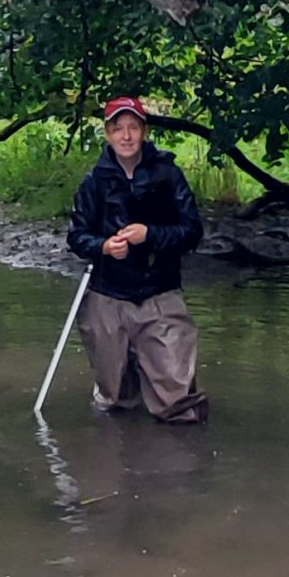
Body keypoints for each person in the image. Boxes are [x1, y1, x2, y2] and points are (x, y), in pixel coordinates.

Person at [65, 96, 209, 423]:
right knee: (114, 400)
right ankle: (118, 455)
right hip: (107, 293)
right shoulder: (94, 182)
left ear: (143, 131)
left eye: (133, 128)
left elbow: (192, 231)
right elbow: (77, 236)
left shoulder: (169, 175)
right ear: (108, 134)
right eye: (118, 129)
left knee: (179, 405)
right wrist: (103, 246)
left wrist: (151, 235)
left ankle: (182, 464)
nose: (126, 136)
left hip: (160, 291)